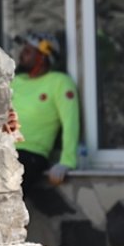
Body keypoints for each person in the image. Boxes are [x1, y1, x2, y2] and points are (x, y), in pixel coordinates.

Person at [11, 33, 80, 219]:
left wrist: (67, 161)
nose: (21, 55)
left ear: (43, 56)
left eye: (27, 51)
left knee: (3, 205)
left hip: (30, 155)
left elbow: (70, 122)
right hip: (1, 151)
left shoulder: (59, 82)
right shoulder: (16, 81)